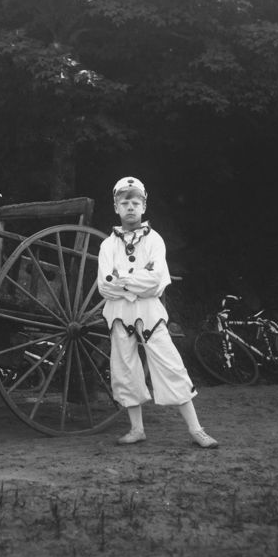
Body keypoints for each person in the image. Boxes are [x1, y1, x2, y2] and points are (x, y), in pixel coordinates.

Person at [97, 176, 218, 449]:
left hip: (150, 314)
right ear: (116, 207)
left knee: (170, 363)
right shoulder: (107, 246)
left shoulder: (155, 240)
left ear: (144, 206)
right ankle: (136, 428)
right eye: (124, 202)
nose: (130, 207)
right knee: (124, 368)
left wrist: (123, 280)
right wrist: (136, 281)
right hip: (118, 314)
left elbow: (157, 280)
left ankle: (196, 429)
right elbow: (104, 286)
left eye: (135, 202)